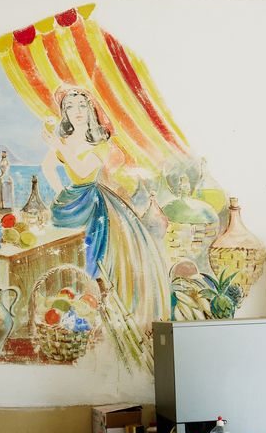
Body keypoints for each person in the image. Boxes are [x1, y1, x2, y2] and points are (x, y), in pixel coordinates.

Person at [42, 86, 170, 329]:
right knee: (65, 249)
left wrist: (58, 145)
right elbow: (47, 167)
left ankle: (96, 303)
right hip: (71, 199)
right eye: (70, 106)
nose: (77, 111)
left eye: (82, 105)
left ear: (91, 110)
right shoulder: (65, 141)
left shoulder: (100, 142)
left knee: (97, 252)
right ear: (64, 113)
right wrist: (61, 191)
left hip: (93, 201)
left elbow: (82, 170)